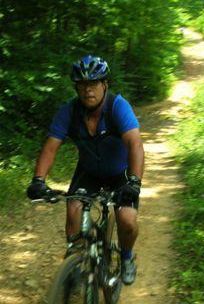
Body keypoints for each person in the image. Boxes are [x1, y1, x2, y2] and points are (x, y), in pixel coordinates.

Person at [27, 55, 144, 285]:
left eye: (93, 84)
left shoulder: (117, 107)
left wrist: (134, 182)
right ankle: (76, 259)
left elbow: (135, 144)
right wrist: (38, 180)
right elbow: (50, 148)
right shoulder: (69, 112)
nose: (87, 90)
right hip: (89, 171)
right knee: (73, 208)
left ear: (104, 85)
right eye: (82, 85)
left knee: (127, 221)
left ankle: (127, 257)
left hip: (120, 172)